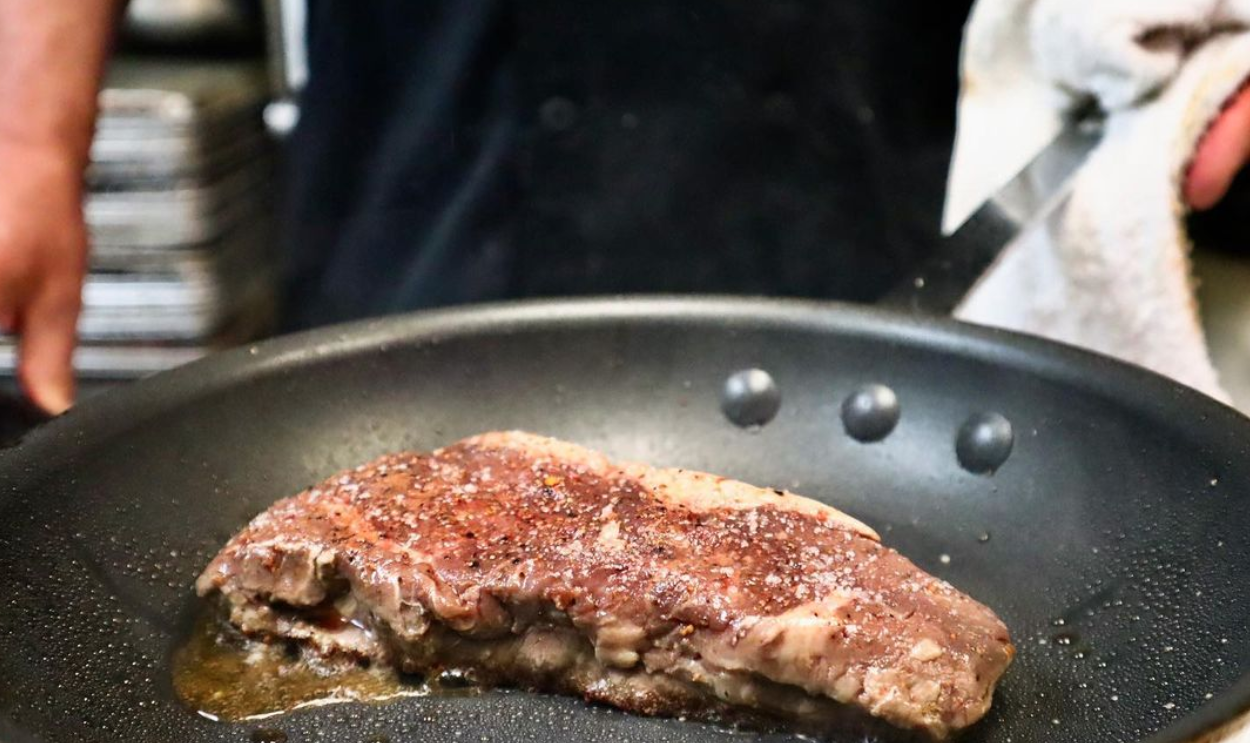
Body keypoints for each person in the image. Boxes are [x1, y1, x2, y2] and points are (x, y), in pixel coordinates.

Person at [2, 1, 1249, 415]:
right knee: (371, 464)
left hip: (834, 196)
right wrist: (24, 131)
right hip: (429, 163)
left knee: (846, 480)